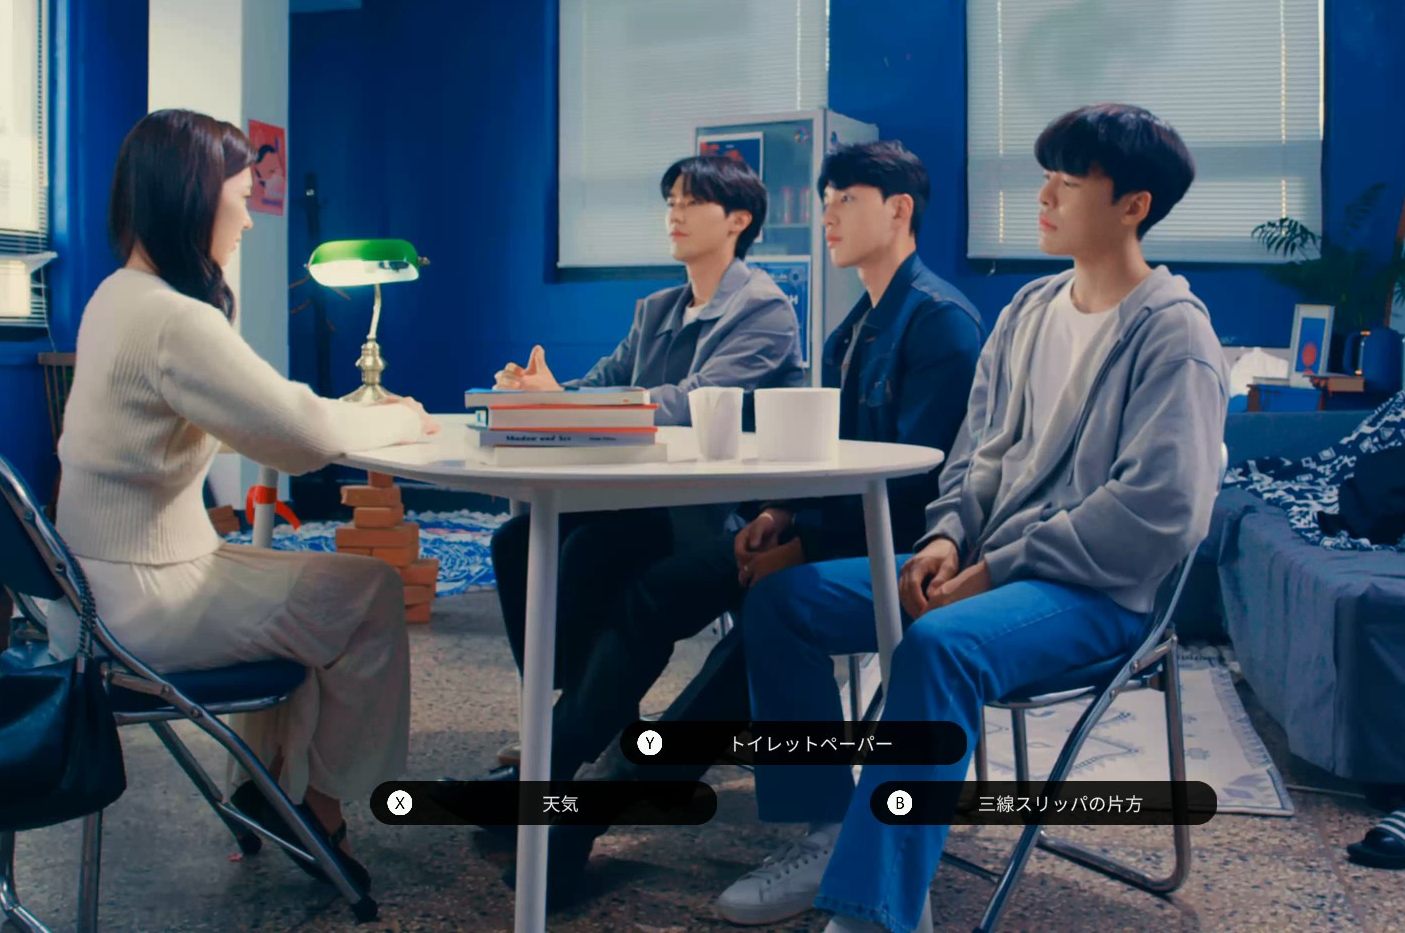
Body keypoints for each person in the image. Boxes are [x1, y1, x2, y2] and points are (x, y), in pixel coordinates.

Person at [718, 105, 1229, 932]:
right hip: (988, 566)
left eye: (1069, 181)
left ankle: (873, 912)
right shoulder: (1029, 310)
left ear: (1134, 205)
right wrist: (947, 537)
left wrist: (997, 568)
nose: (1045, 195)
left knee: (939, 644)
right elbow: (976, 454)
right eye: (1046, 176)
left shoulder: (1175, 334)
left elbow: (1160, 510)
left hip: (1097, 591)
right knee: (783, 603)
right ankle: (829, 833)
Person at [494, 141, 983, 898]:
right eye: (825, 200)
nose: (827, 215)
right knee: (641, 584)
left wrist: (800, 539)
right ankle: (558, 761)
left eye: (845, 199)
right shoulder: (852, 330)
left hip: (904, 549)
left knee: (769, 613)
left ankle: (600, 801)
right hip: (818, 528)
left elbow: (915, 488)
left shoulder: (938, 323)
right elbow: (835, 456)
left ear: (899, 210)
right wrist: (783, 515)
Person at [49, 108, 438, 893]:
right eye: (242, 196)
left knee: (319, 593)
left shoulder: (116, 298)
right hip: (139, 607)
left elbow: (210, 425)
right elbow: (301, 435)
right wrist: (399, 417)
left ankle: (271, 787)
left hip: (87, 596)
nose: (252, 220)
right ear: (194, 197)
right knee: (368, 592)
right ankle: (316, 812)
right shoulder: (173, 319)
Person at [482, 155, 803, 762]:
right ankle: (582, 708)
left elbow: (690, 401)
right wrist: (543, 392)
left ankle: (571, 732)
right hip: (645, 500)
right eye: (670, 202)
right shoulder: (657, 308)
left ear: (739, 220)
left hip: (720, 513)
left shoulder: (764, 309)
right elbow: (599, 383)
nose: (675, 214)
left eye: (692, 202)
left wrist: (567, 404)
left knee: (592, 552)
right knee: (517, 542)